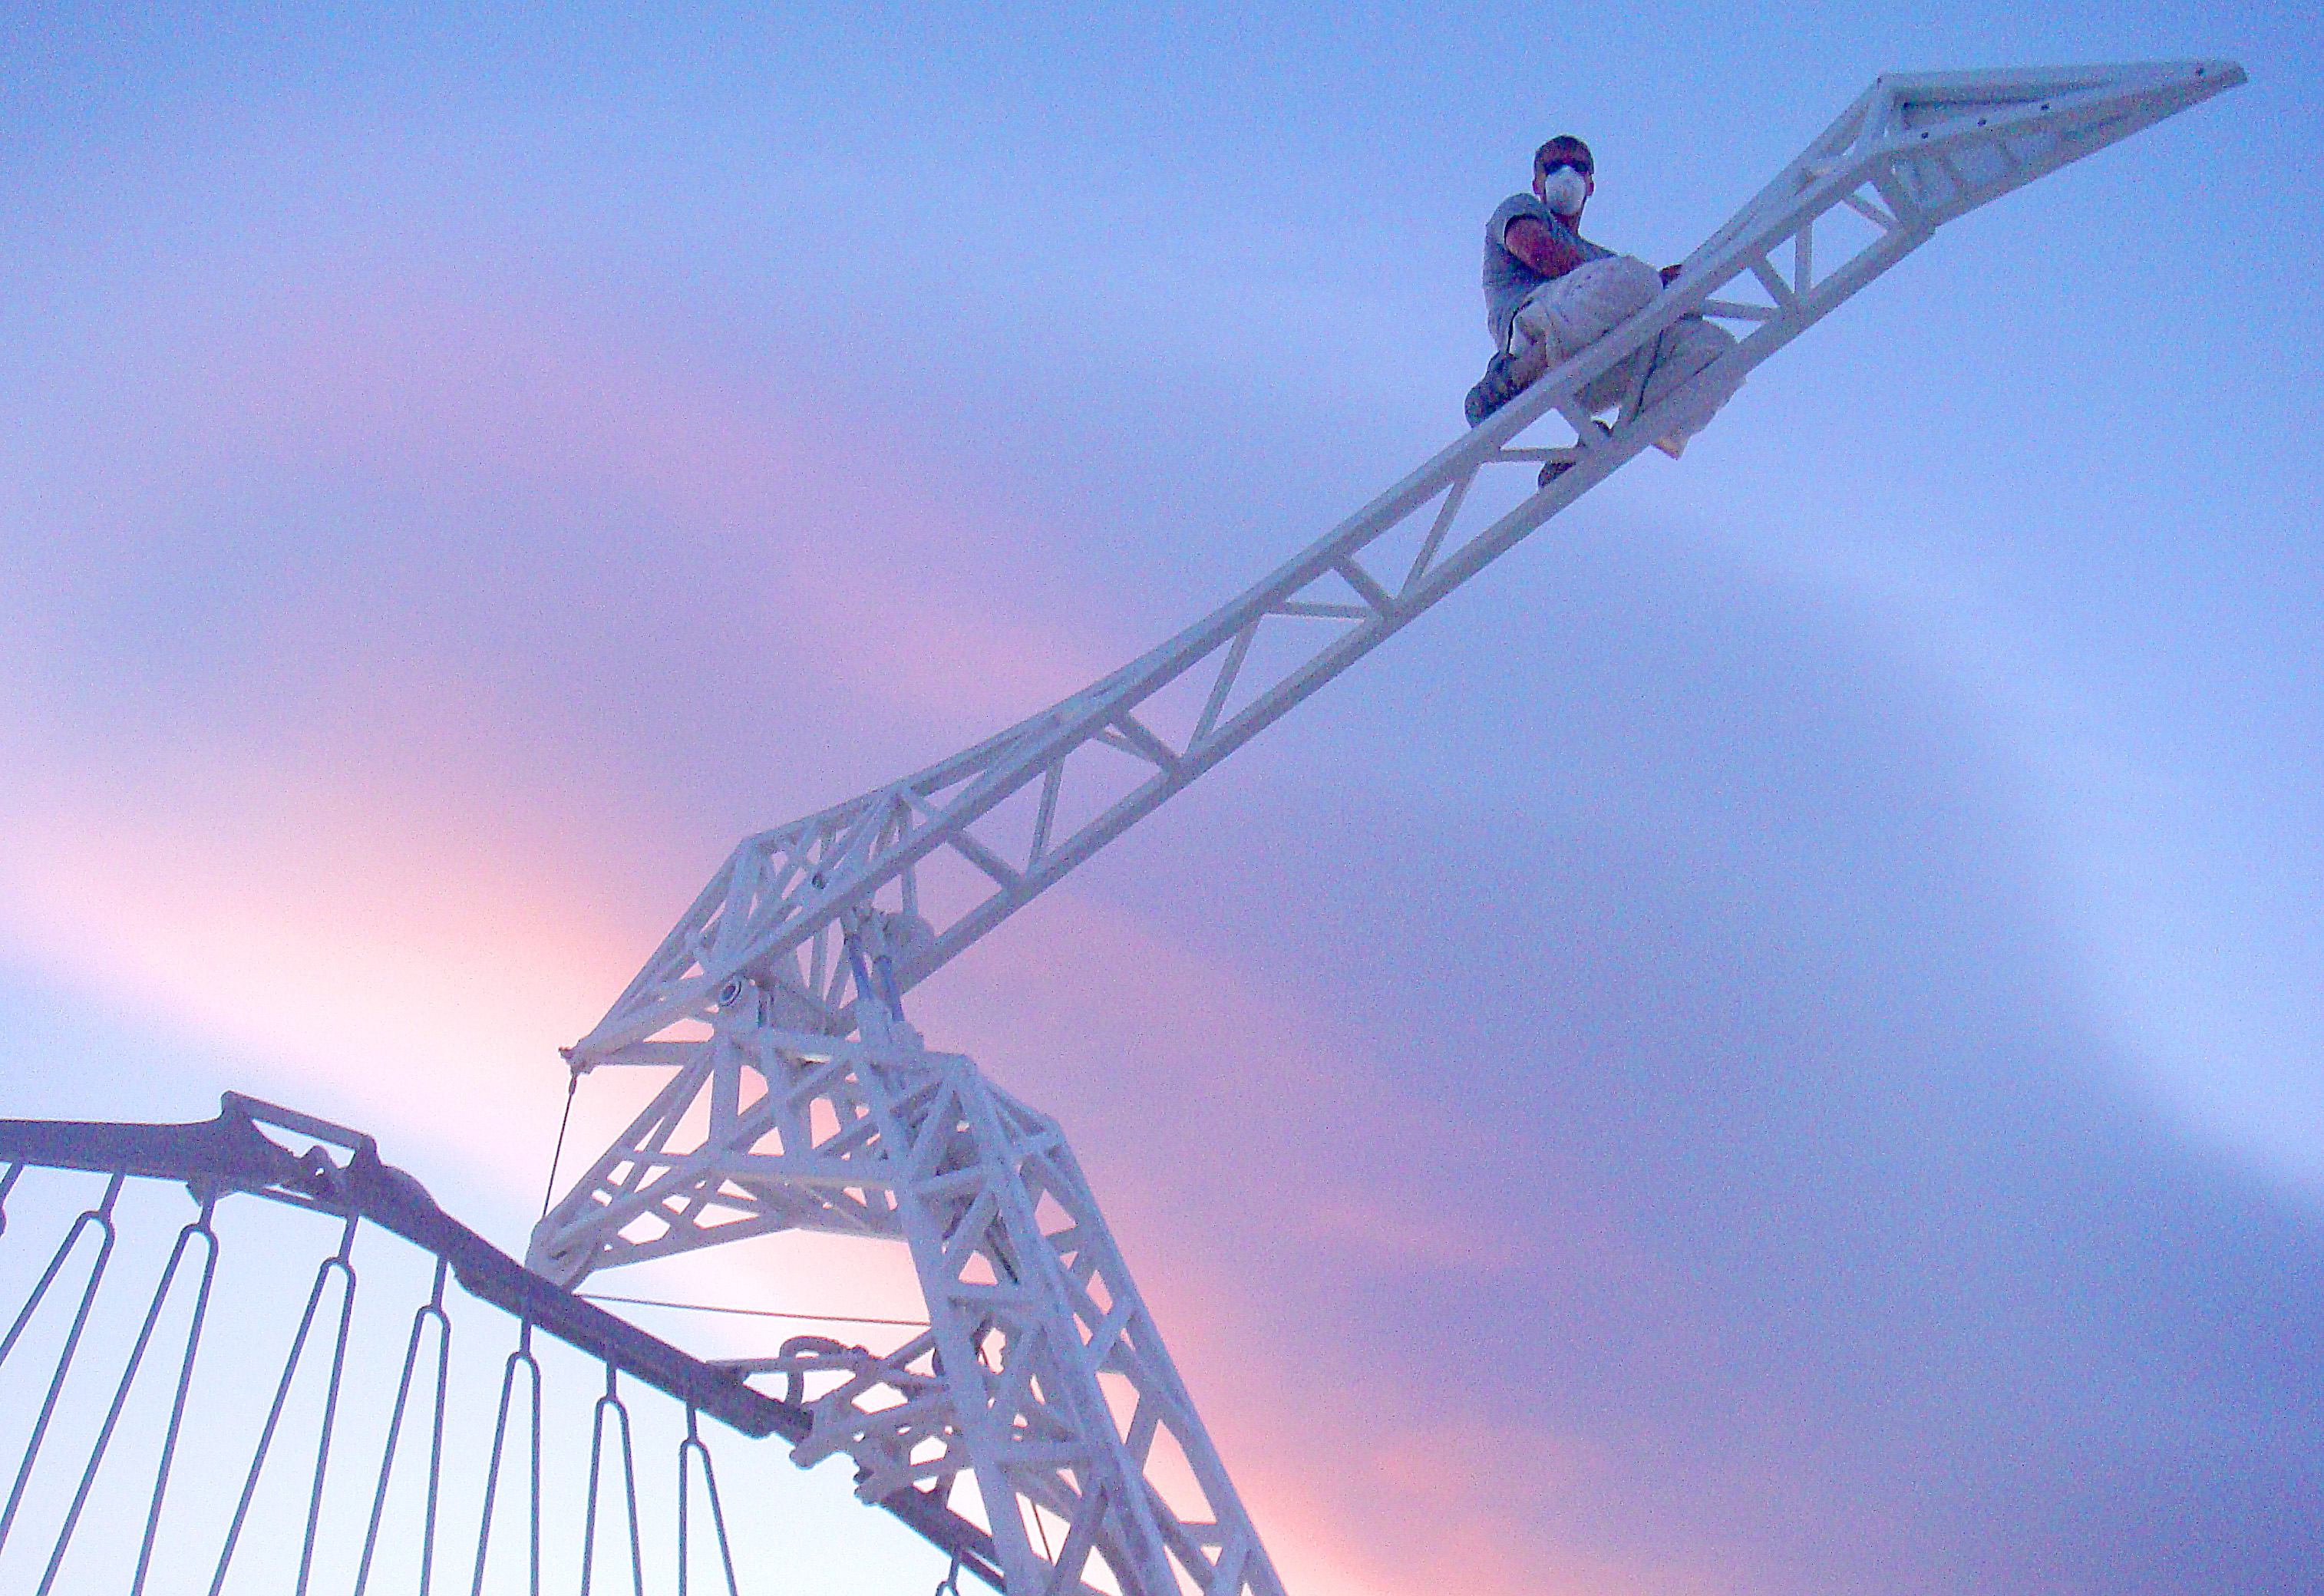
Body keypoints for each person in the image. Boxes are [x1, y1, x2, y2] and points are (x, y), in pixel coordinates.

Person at [1465, 136, 1735, 473]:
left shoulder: (1602, 262)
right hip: (1532, 331)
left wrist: (1675, 297)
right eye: (1554, 167)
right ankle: (1511, 377)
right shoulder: (1521, 209)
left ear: (1591, 184)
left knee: (1718, 350)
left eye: (1579, 167)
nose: (1567, 175)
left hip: (1589, 369)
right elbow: (1538, 251)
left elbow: (1637, 287)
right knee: (1639, 281)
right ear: (1537, 182)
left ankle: (1607, 444)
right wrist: (1653, 286)